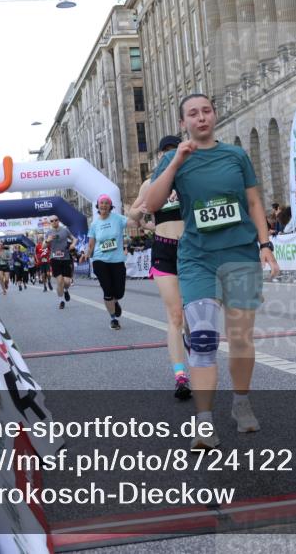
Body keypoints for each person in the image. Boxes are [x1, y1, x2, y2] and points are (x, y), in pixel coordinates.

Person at [145, 93, 280, 450]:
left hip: (240, 255)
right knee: (203, 339)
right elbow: (153, 204)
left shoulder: (235, 155)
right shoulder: (177, 159)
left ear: (214, 115)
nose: (201, 118)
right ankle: (204, 423)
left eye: (206, 111)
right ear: (183, 122)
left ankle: (240, 402)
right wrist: (174, 164)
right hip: (197, 259)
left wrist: (265, 245)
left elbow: (252, 202)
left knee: (239, 338)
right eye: (193, 113)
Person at [128, 134, 193, 400]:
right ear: (159, 156)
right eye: (164, 151)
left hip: (192, 249)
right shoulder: (151, 182)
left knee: (193, 315)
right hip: (164, 250)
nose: (168, 154)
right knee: (175, 314)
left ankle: (193, 350)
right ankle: (180, 376)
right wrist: (141, 212)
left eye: (173, 150)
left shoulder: (192, 178)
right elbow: (131, 216)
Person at [80, 195, 128, 329]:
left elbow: (132, 223)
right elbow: (91, 245)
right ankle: (113, 319)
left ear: (110, 206)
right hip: (100, 260)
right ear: (98, 206)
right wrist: (86, 254)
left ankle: (115, 301)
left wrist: (140, 214)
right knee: (107, 291)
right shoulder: (95, 224)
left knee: (119, 292)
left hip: (117, 260)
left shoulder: (118, 219)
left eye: (107, 203)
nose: (104, 205)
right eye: (102, 203)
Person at [46, 216, 76, 309]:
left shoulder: (65, 230)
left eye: (56, 220)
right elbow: (43, 245)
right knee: (60, 281)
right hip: (54, 259)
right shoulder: (48, 233)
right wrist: (48, 240)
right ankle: (61, 300)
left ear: (58, 221)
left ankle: (66, 290)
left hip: (66, 258)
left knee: (67, 282)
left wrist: (73, 244)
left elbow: (74, 239)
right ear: (50, 222)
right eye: (52, 221)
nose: (54, 222)